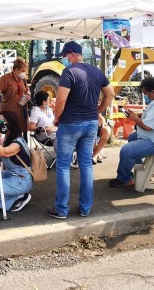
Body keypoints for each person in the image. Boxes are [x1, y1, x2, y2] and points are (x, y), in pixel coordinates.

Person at [46, 41, 114, 219]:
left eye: (67, 56)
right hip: (90, 123)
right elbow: (110, 94)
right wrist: (97, 111)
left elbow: (60, 100)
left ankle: (61, 209)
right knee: (86, 164)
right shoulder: (97, 72)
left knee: (62, 165)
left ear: (74, 54)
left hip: (70, 123)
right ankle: (85, 208)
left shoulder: (69, 72)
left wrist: (57, 117)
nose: (66, 60)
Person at [109, 76, 154, 188]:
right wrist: (138, 115)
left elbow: (147, 127)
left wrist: (135, 118)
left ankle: (124, 179)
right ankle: (141, 171)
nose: (146, 97)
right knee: (132, 137)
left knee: (127, 151)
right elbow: (152, 117)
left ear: (153, 92)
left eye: (146, 94)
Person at [0, 57, 30, 136]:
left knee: (20, 131)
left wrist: (28, 95)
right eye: (23, 71)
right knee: (10, 133)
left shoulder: (22, 80)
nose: (24, 74)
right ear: (16, 70)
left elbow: (27, 90)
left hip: (21, 111)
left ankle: (20, 147)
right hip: (9, 111)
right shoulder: (5, 78)